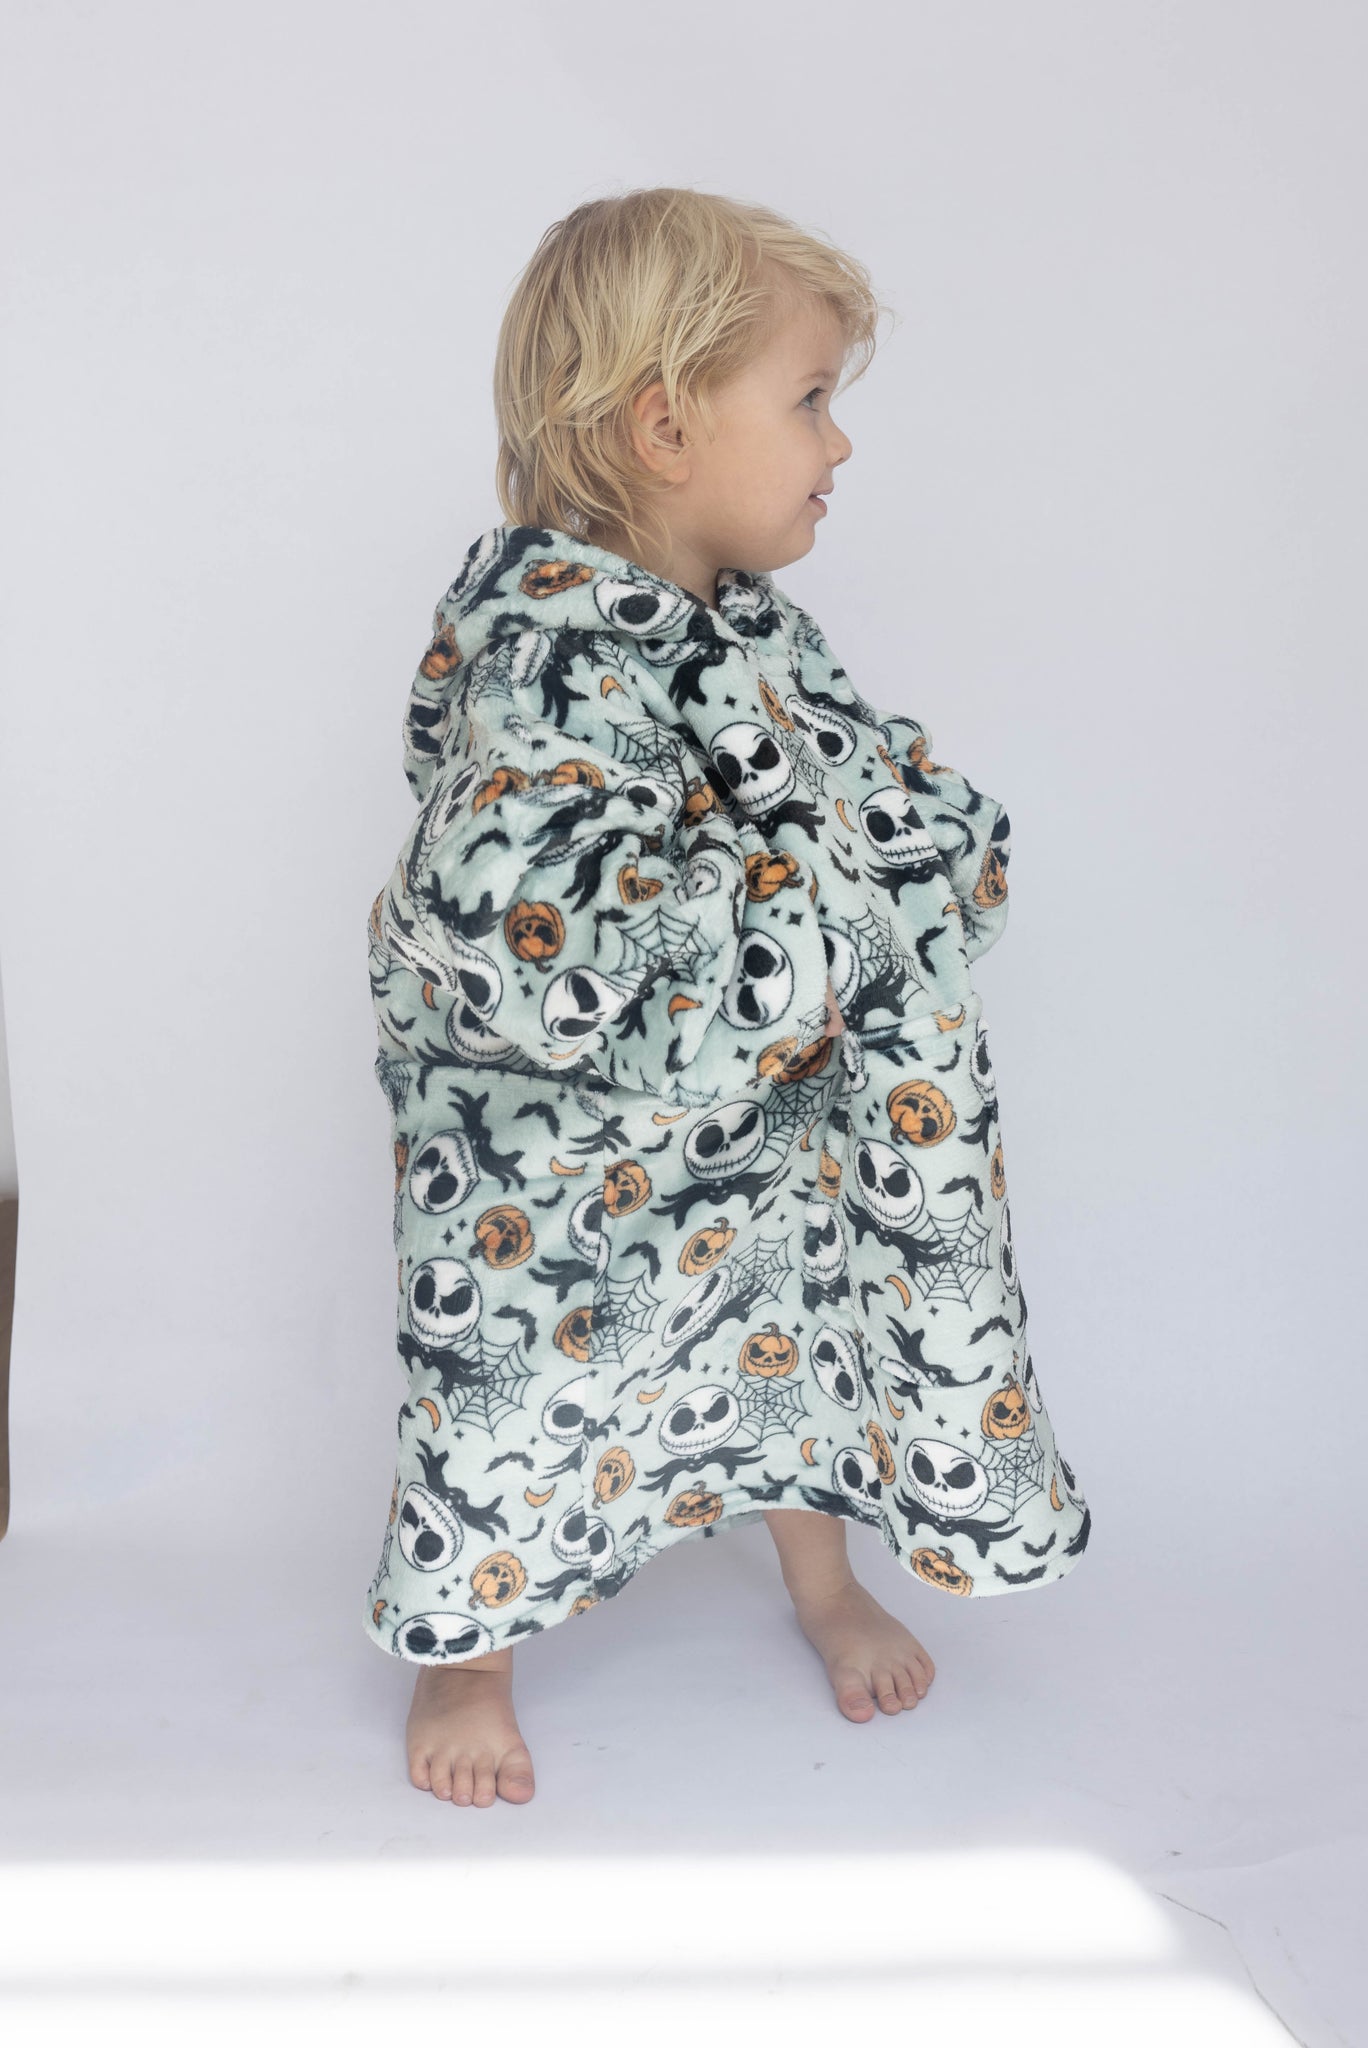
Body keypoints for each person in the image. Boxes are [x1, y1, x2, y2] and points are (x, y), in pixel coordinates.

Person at [362, 187, 1091, 1808]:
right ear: (666, 425)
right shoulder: (544, 656)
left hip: (753, 1133)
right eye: (812, 399)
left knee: (791, 1325)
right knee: (513, 1395)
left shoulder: (754, 627)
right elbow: (537, 929)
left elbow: (875, 796)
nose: (841, 443)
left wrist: (891, 855)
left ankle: (821, 1583)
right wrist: (833, 896)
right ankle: (465, 1656)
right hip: (555, 1174)